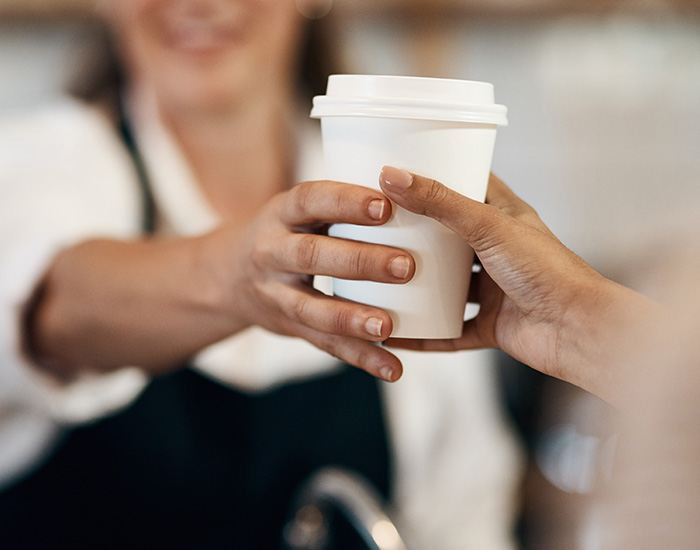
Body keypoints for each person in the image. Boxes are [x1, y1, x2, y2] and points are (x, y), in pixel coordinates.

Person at [0, 2, 521, 548]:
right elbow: (52, 304)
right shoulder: (44, 162)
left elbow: (462, 517)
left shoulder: (396, 197)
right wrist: (235, 276)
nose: (200, 4)